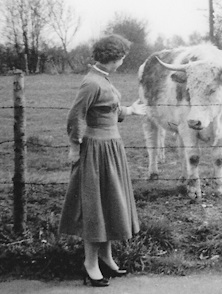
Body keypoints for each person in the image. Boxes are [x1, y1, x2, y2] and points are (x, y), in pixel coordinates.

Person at [58, 34, 146, 287]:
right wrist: (75, 147)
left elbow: (110, 110)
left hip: (112, 148)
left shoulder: (103, 80)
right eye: (121, 58)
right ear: (113, 58)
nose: (122, 62)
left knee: (108, 203)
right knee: (95, 206)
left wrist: (130, 110)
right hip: (96, 150)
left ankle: (106, 257)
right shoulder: (91, 83)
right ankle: (90, 263)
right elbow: (76, 117)